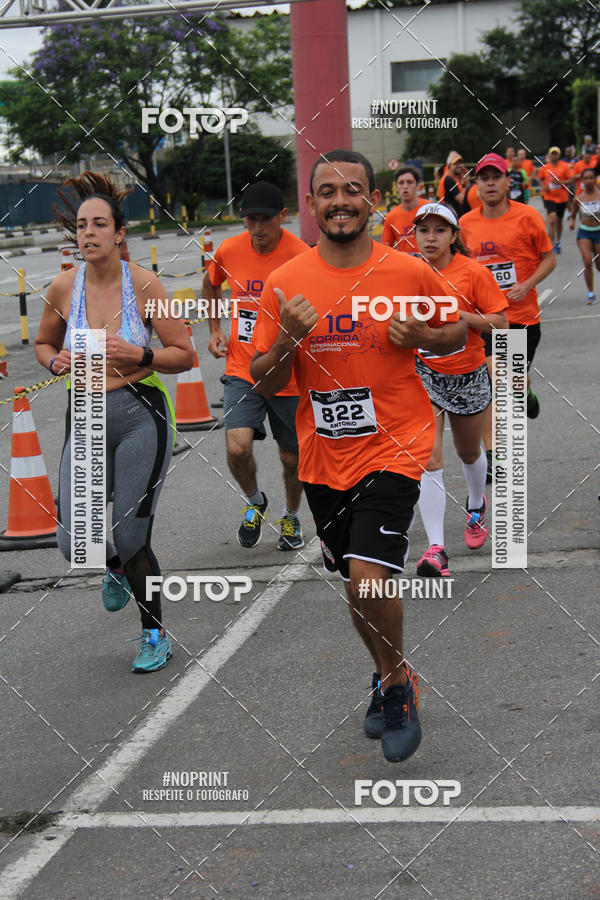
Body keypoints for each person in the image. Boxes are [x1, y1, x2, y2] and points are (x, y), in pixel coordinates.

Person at [250, 149, 466, 763]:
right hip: (324, 457)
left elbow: (453, 329)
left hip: (396, 445)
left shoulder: (408, 271)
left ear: (371, 199)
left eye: (353, 189)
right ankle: (386, 672)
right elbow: (263, 381)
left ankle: (397, 685)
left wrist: (423, 335)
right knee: (356, 582)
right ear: (310, 204)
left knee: (371, 575)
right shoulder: (285, 283)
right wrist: (290, 339)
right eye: (327, 190)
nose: (340, 199)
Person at [34, 172, 194, 673]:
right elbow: (41, 343)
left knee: (130, 532)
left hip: (139, 414)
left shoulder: (144, 284)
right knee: (70, 542)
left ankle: (153, 633)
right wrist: (53, 361)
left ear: (119, 233)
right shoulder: (63, 286)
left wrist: (140, 350)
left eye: (100, 224)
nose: (89, 233)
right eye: (82, 225)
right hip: (83, 416)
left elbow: (184, 355)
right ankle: (116, 569)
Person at [204, 181, 309, 550]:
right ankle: (255, 501)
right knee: (237, 447)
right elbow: (211, 283)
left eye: (265, 219)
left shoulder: (301, 255)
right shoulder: (229, 249)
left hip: (288, 373)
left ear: (283, 216)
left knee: (291, 457)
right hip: (242, 368)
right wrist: (216, 328)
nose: (258, 228)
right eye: (251, 220)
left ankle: (292, 517)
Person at [412, 203, 508, 577]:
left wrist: (459, 314)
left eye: (439, 231)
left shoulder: (473, 273)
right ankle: (436, 548)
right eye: (423, 231)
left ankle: (476, 504)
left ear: (454, 236)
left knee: (468, 453)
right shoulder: (407, 272)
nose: (430, 238)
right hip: (423, 375)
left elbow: (500, 321)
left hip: (467, 375)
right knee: (428, 458)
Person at [460, 153, 556, 478]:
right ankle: (493, 456)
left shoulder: (528, 217)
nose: (490, 183)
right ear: (477, 185)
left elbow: (549, 259)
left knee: (510, 383)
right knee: (492, 381)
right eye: (483, 178)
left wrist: (527, 284)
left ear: (506, 182)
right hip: (485, 320)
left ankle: (525, 391)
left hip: (522, 318)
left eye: (495, 177)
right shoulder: (465, 224)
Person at [569, 167, 600, 304]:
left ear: (595, 180)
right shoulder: (579, 198)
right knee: (587, 261)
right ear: (582, 181)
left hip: (598, 232)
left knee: (599, 265)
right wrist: (571, 222)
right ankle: (591, 292)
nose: (588, 181)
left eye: (591, 178)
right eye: (585, 178)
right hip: (584, 232)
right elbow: (573, 214)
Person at [380, 165, 428, 254]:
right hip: (407, 265)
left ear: (418, 186)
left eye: (409, 182)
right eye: (401, 183)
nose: (405, 186)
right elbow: (385, 250)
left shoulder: (430, 208)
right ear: (397, 187)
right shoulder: (390, 217)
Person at [537, 146, 574, 253]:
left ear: (559, 155)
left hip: (562, 198)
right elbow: (539, 178)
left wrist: (561, 183)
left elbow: (571, 179)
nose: (554, 156)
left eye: (556, 154)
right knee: (552, 218)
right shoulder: (545, 168)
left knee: (559, 221)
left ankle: (558, 241)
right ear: (550, 155)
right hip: (549, 197)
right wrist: (543, 186)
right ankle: (551, 239)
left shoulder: (564, 166)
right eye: (552, 154)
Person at [437, 151, 469, 218]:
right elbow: (464, 202)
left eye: (460, 163)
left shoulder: (455, 179)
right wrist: (467, 183)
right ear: (449, 166)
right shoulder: (448, 180)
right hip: (451, 217)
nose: (459, 165)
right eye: (455, 164)